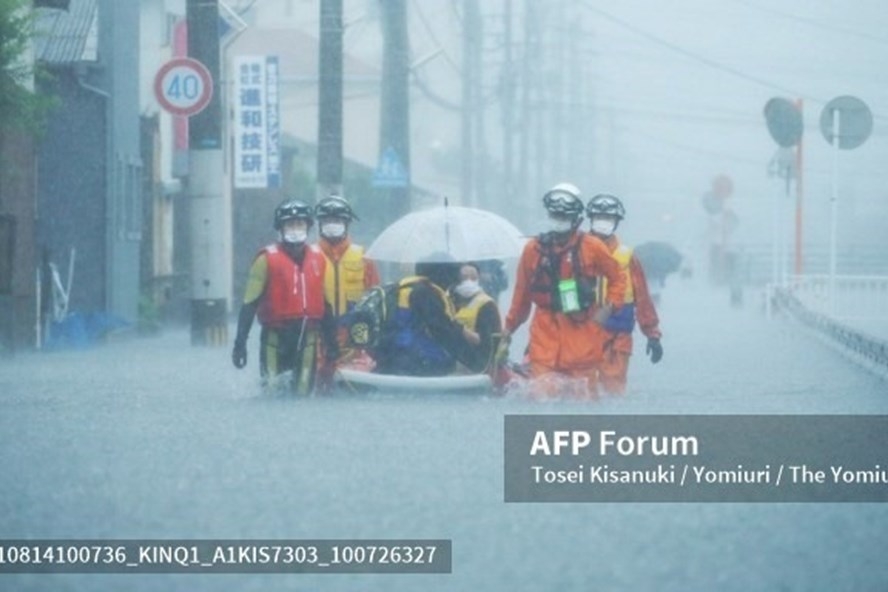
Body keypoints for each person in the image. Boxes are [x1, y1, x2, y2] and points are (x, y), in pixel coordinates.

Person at [503, 182, 627, 398]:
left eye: (564, 216)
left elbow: (618, 279)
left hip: (582, 328)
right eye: (555, 214)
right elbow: (521, 296)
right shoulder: (533, 249)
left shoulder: (592, 247)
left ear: (577, 218)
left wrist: (607, 309)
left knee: (583, 397)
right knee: (542, 392)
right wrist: (507, 331)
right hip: (544, 330)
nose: (558, 220)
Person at [231, 198, 339, 395]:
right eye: (290, 224)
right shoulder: (265, 260)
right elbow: (249, 304)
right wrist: (240, 344)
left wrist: (332, 344)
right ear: (280, 229)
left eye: (299, 224)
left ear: (308, 227)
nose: (295, 229)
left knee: (303, 393)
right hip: (275, 337)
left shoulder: (320, 259)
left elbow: (327, 306)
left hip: (307, 337)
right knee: (272, 390)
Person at [585, 194, 663, 395]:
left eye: (608, 218)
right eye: (599, 217)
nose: (603, 222)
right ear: (590, 219)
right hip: (581, 334)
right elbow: (561, 294)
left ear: (617, 222)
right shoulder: (575, 253)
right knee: (582, 391)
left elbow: (642, 299)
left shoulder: (627, 257)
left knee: (612, 392)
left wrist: (652, 334)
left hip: (617, 338)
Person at [374, 256, 473, 377]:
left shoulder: (402, 287)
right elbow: (442, 330)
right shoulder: (426, 293)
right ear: (444, 274)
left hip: (389, 355)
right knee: (448, 362)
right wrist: (468, 360)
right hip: (417, 360)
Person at [314, 194, 381, 362]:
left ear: (347, 223)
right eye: (328, 220)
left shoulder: (363, 255)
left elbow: (375, 296)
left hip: (356, 329)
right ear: (320, 224)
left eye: (337, 220)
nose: (332, 225)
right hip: (318, 333)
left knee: (360, 371)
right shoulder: (310, 256)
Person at [450, 262, 503, 374]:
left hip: (476, 367)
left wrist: (460, 330)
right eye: (464, 278)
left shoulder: (486, 305)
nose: (469, 281)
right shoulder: (447, 300)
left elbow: (488, 344)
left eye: (473, 278)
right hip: (451, 365)